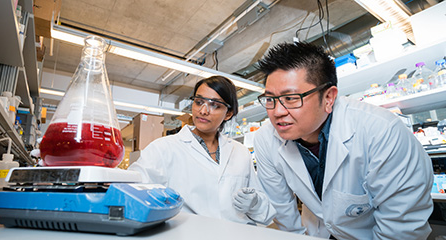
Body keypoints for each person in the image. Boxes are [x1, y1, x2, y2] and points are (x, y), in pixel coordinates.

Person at [253, 42, 433, 239]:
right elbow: (285, 215)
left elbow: (400, 229)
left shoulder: (382, 131)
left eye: (292, 98)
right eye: (270, 99)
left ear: (329, 97)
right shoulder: (265, 139)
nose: (277, 112)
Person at [128, 76, 275, 225]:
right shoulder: (163, 148)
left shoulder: (241, 153)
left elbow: (265, 214)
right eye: (199, 102)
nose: (203, 111)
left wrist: (254, 203)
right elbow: (132, 192)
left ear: (228, 114)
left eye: (214, 105)